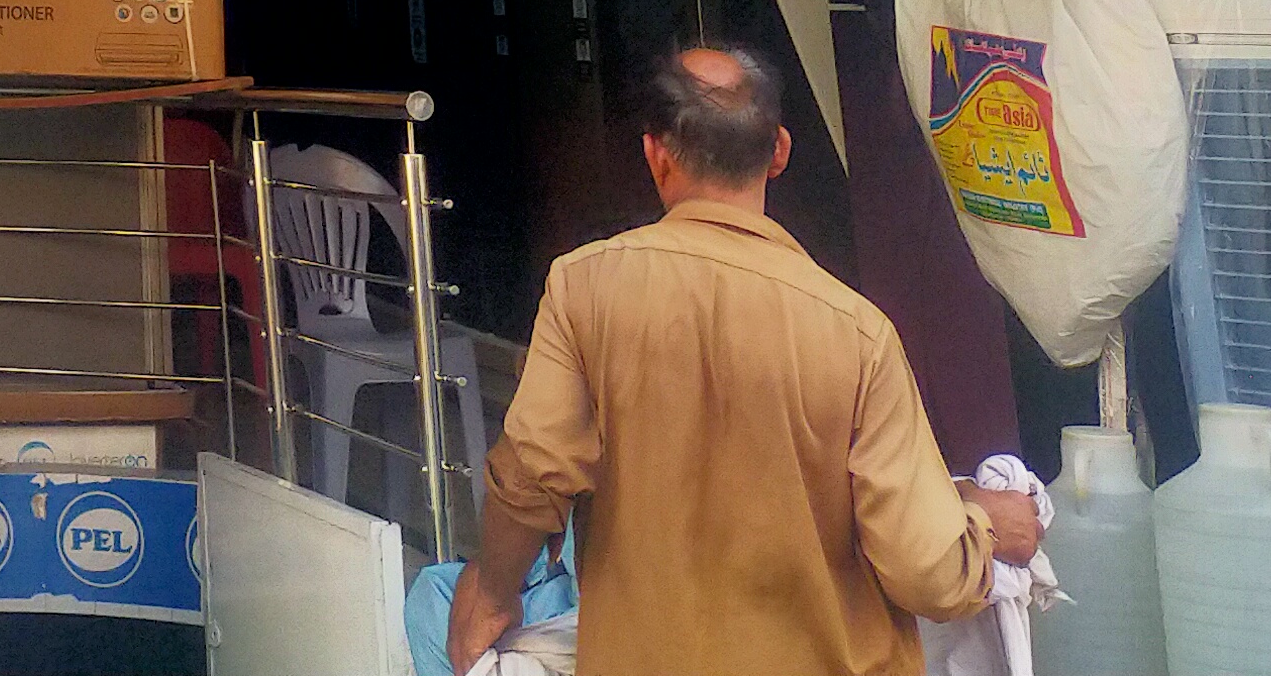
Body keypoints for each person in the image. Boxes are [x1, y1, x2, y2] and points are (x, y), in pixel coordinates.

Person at [446, 44, 1044, 676]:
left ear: (655, 154)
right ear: (779, 151)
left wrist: (491, 592)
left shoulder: (584, 287)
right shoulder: (857, 334)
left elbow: (533, 476)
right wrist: (980, 524)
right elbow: (925, 571)